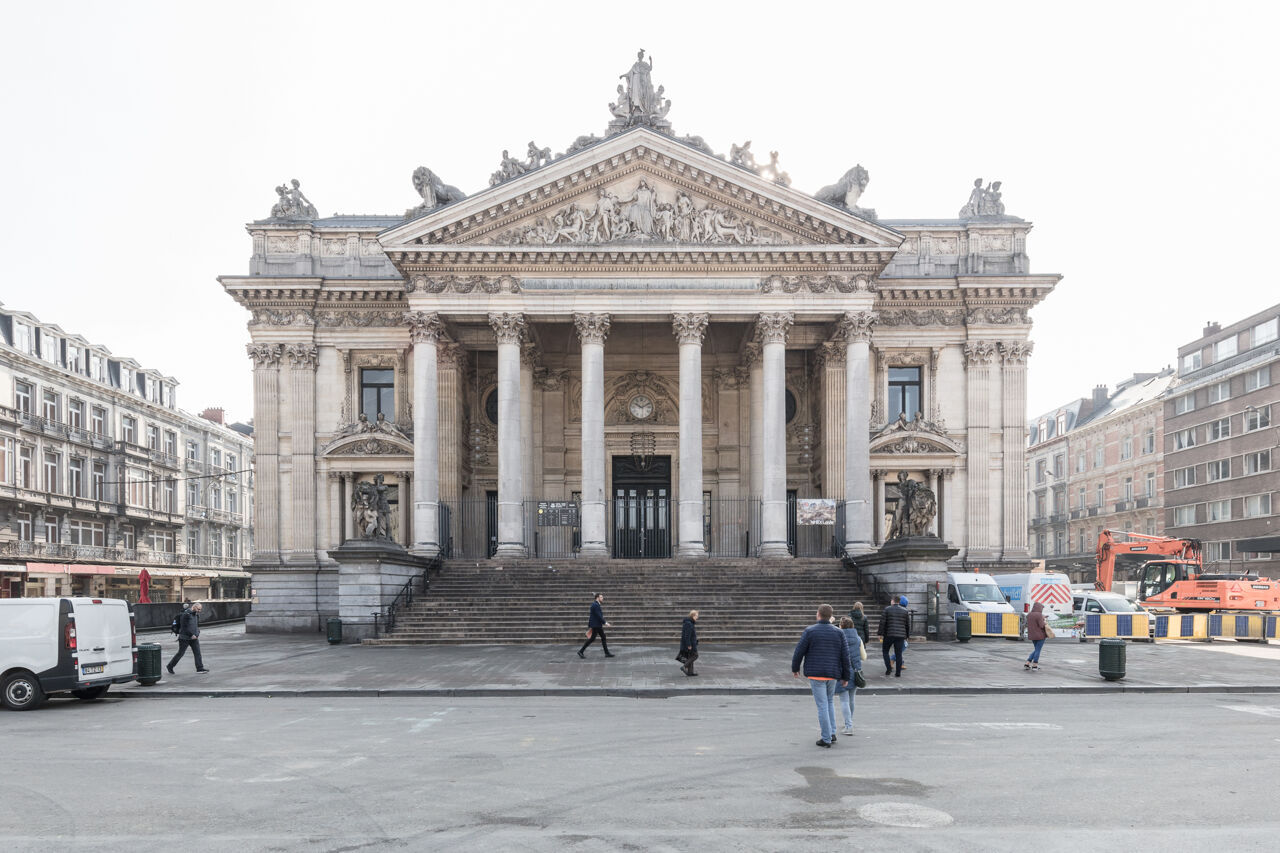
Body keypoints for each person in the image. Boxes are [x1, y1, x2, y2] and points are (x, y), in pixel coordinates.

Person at [791, 603, 852, 748]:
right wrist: (846, 676)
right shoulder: (839, 632)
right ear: (831, 616)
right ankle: (831, 732)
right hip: (832, 673)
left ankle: (826, 738)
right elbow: (845, 656)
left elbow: (799, 651)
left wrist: (795, 668)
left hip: (816, 673)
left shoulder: (810, 631)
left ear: (818, 614)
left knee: (822, 705)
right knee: (829, 702)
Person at [834, 616, 864, 735]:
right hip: (856, 670)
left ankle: (849, 725)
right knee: (851, 699)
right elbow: (863, 655)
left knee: (844, 700)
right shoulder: (857, 638)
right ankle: (849, 721)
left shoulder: (838, 638)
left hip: (843, 671)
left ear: (841, 626)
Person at [167, 602, 208, 674]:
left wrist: (197, 634)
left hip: (194, 638)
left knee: (197, 653)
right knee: (180, 653)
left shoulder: (196, 615)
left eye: (200, 609)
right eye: (198, 609)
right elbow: (184, 627)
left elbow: (196, 626)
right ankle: (170, 666)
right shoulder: (186, 614)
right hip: (184, 638)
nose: (199, 611)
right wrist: (191, 634)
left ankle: (200, 668)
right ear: (194, 607)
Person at [880, 594, 910, 677]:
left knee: (885, 651)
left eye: (891, 600)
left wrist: (880, 633)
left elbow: (882, 622)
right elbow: (907, 625)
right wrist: (907, 636)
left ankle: (888, 669)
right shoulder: (905, 611)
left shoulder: (887, 609)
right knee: (898, 653)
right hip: (900, 636)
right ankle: (898, 673)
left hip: (888, 635)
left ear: (893, 601)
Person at [577, 592, 614, 658]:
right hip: (596, 625)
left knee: (601, 637)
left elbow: (598, 616)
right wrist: (605, 623)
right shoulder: (595, 605)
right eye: (601, 597)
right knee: (595, 638)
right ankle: (581, 651)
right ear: (597, 598)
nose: (603, 598)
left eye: (602, 597)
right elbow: (599, 616)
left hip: (597, 625)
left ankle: (606, 653)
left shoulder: (596, 604)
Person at [1025, 601, 1048, 671]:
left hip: (1032, 636)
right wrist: (1044, 620)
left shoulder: (1029, 614)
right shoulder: (1039, 615)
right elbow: (1041, 625)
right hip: (1040, 635)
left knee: (1036, 650)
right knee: (1038, 650)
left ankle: (1027, 663)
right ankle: (1035, 665)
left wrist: (1042, 617)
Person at [678, 609, 699, 676]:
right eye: (696, 616)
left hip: (692, 643)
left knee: (691, 656)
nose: (697, 617)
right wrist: (689, 645)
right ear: (692, 616)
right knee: (695, 655)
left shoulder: (690, 623)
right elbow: (687, 636)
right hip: (690, 644)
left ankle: (690, 672)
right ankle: (684, 666)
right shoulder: (689, 624)